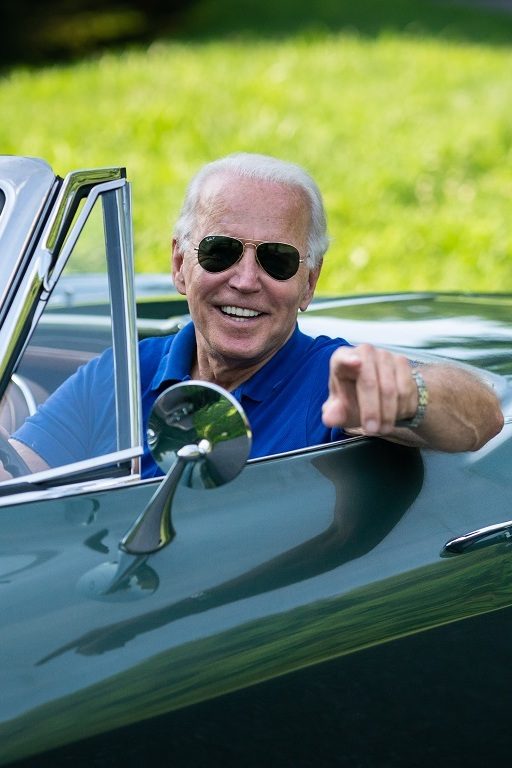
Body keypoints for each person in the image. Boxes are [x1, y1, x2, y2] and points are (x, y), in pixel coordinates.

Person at [2, 152, 505, 479]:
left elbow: (480, 418)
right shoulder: (118, 375)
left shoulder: (332, 381)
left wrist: (406, 398)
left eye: (277, 259)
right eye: (220, 252)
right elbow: (19, 474)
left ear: (309, 282)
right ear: (180, 265)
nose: (245, 280)